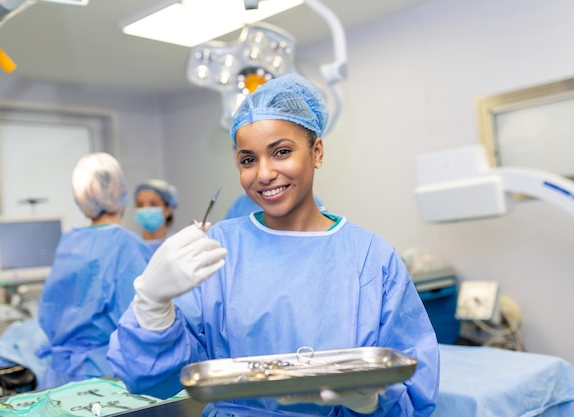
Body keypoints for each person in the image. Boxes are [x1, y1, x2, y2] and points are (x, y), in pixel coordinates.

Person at [107, 74, 439, 416]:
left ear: (317, 151)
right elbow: (151, 381)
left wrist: (373, 402)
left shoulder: (371, 259)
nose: (263, 174)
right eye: (248, 160)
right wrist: (152, 305)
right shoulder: (219, 249)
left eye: (281, 152)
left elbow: (413, 386)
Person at [37, 152, 153, 389]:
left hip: (60, 375)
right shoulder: (125, 245)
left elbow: (51, 310)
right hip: (106, 375)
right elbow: (142, 320)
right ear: (120, 191)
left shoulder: (70, 241)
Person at [133, 179, 178, 252]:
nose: (145, 209)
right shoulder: (131, 247)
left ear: (168, 210)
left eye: (153, 204)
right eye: (140, 205)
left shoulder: (178, 245)